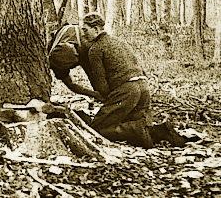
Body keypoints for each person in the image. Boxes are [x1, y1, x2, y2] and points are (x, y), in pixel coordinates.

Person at [48, 12, 184, 148]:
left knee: (96, 130)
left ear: (95, 29)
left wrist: (102, 96)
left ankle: (135, 129)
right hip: (144, 88)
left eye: (86, 30)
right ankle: (161, 131)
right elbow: (140, 70)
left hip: (127, 91)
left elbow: (102, 89)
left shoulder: (95, 49)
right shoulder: (119, 41)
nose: (84, 34)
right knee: (138, 136)